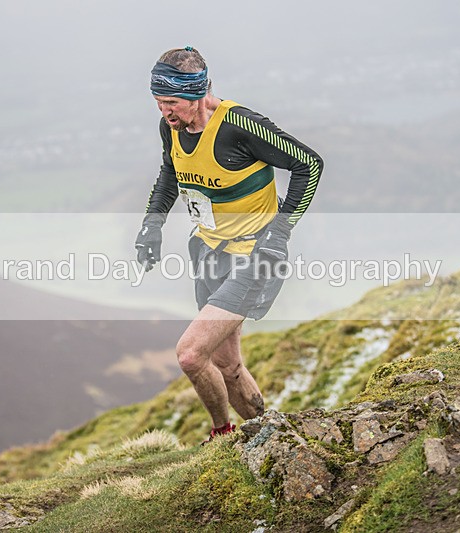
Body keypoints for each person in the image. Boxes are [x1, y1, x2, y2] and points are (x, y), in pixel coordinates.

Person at [135, 46, 323, 443]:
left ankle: (222, 434)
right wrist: (151, 226)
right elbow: (171, 173)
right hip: (207, 250)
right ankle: (270, 435)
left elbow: (309, 164)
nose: (165, 112)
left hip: (254, 256)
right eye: (158, 103)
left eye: (171, 102)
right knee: (227, 364)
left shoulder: (240, 127)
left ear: (198, 93)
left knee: (190, 354)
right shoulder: (171, 127)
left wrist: (280, 232)